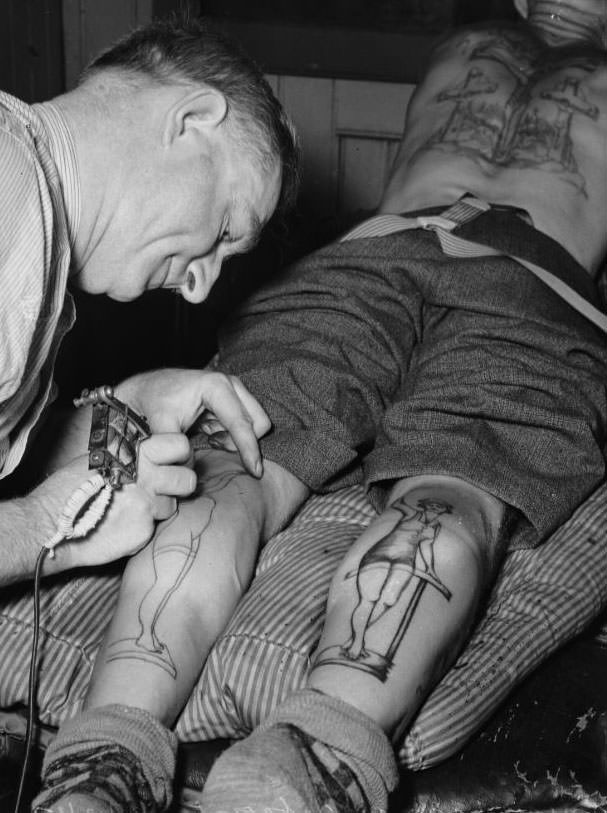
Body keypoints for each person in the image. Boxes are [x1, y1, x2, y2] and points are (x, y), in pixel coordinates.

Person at [26, 0, 607, 811]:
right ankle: (109, 753)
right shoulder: (467, 38)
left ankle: (301, 763)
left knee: (448, 486)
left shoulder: (487, 51)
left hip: (534, 280)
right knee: (230, 456)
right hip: (360, 261)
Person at [0, 15, 299, 588]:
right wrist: (49, 528)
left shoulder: (34, 231)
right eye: (227, 231)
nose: (201, 286)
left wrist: (127, 406)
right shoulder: (13, 202)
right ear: (192, 120)